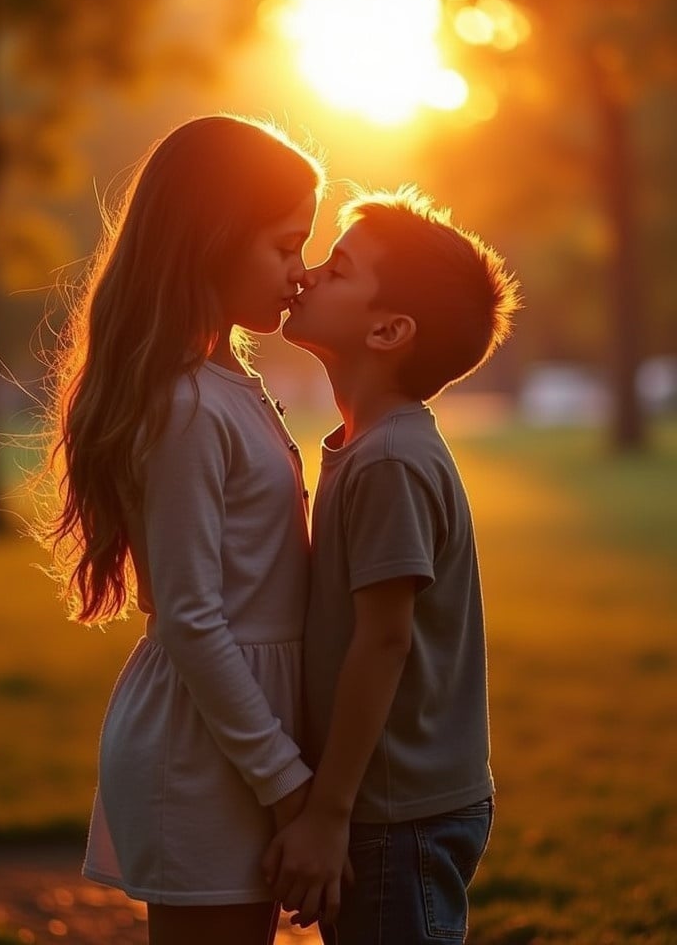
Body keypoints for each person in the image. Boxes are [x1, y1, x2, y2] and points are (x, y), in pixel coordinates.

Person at [35, 114, 326, 945]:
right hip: (209, 750)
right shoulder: (187, 404)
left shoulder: (230, 379)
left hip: (248, 735)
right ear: (214, 238)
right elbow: (193, 618)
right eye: (284, 246)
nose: (299, 274)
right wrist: (288, 784)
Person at [263, 185, 521, 944]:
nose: (307, 275)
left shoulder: (389, 463)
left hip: (394, 812)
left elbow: (384, 641)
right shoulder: (372, 448)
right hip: (396, 803)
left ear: (388, 330)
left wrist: (329, 815)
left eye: (337, 270)